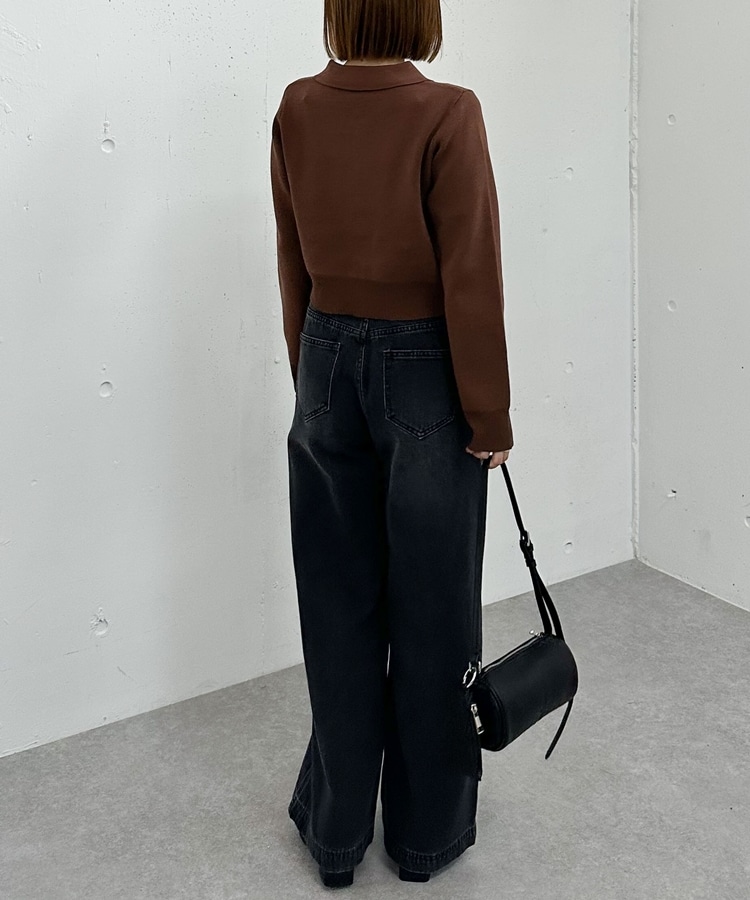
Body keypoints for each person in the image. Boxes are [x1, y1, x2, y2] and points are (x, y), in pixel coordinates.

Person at [270, 0, 513, 888]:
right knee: (433, 606)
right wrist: (489, 415)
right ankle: (424, 837)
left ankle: (337, 835)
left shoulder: (297, 106)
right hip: (426, 373)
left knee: (336, 603)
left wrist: (311, 378)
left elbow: (292, 255)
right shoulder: (448, 112)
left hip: (324, 358)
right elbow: (470, 274)